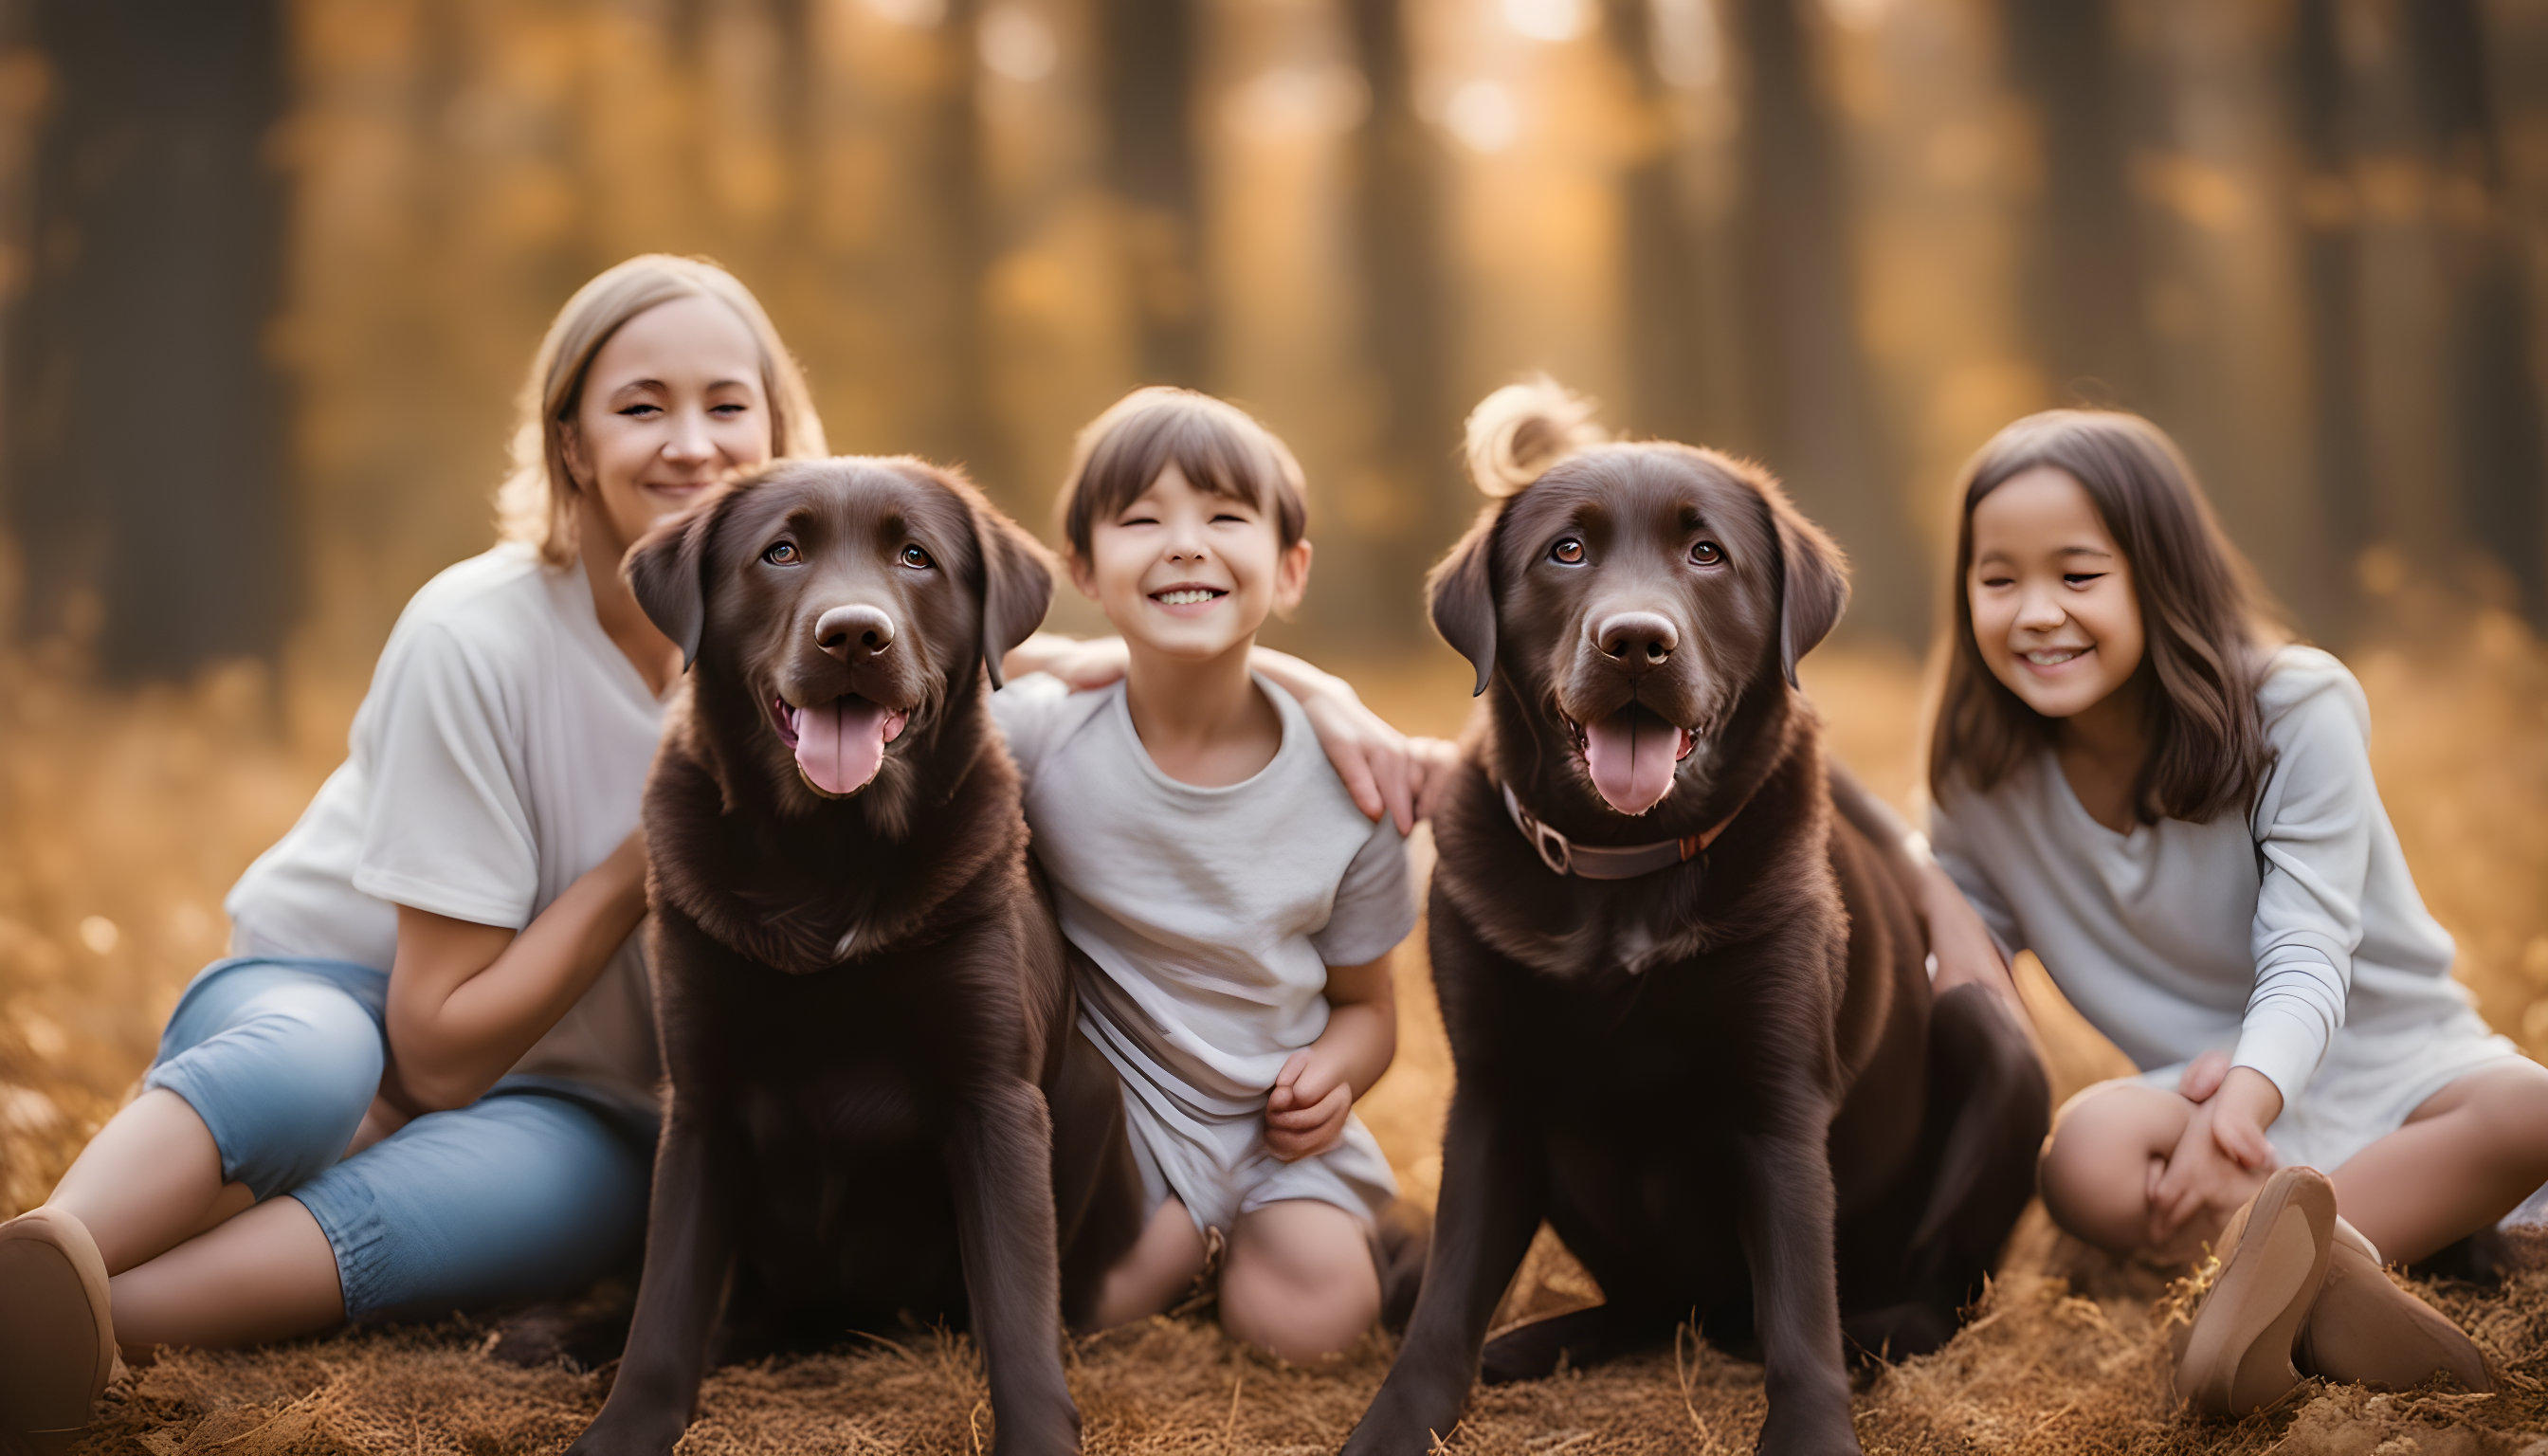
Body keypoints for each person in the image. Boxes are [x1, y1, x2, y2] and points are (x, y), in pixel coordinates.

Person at [0, 254, 827, 1448]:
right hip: (345, 995)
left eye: (727, 405)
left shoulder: (821, 657)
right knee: (310, 1067)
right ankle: (55, 1249)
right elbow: (431, 1054)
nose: (691, 442)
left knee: (537, 1199)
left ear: (781, 433)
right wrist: (646, 858)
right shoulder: (474, 634)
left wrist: (1112, 661)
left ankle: (89, 1329)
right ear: (572, 448)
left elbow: (982, 686)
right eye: (642, 405)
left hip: (575, 1099)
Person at [1918, 409, 2548, 1413]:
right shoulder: (1979, 778)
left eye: (2078, 576)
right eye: (1999, 581)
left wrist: (2247, 1105)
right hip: (2199, 1097)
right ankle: (2340, 1275)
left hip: (2388, 1064)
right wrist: (1907, 881)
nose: (2036, 612)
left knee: (2533, 1109)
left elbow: (2308, 949)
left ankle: (2268, 1289)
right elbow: (1963, 974)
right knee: (2084, 1155)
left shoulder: (2295, 707)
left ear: (2161, 574)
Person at [994, 388, 1430, 1362]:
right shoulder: (1042, 736)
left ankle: (1290, 1238)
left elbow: (1371, 1008)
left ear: (1290, 569)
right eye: (1141, 520)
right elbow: (936, 642)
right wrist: (1075, 656)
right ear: (1083, 570)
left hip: (1280, 1138)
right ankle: (1194, 1245)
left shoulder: (1350, 788)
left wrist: (1339, 1074)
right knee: (1093, 1319)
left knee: (1307, 1332)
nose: (1185, 544)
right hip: (1123, 1133)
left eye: (1225, 517)